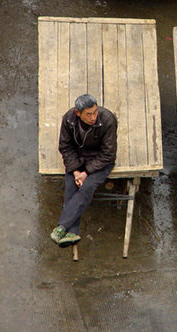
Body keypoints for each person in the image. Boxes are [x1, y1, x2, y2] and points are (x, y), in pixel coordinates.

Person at [50, 94, 118, 248]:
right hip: (78, 159)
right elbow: (66, 147)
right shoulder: (68, 119)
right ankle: (73, 232)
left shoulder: (107, 120)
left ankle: (62, 227)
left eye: (95, 112)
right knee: (70, 187)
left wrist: (86, 173)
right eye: (89, 114)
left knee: (87, 187)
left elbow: (108, 154)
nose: (93, 117)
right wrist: (75, 171)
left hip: (101, 161)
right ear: (78, 113)